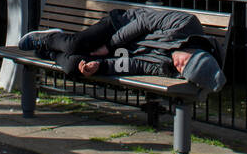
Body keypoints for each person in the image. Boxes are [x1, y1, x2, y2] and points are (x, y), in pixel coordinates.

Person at [18, 6, 227, 95]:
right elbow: (144, 22)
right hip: (120, 25)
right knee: (74, 45)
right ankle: (47, 39)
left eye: (183, 72)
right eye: (186, 63)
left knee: (75, 67)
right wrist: (109, 46)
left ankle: (49, 52)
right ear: (197, 53)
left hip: (118, 51)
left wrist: (99, 65)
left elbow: (135, 64)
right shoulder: (187, 24)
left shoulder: (167, 66)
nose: (179, 66)